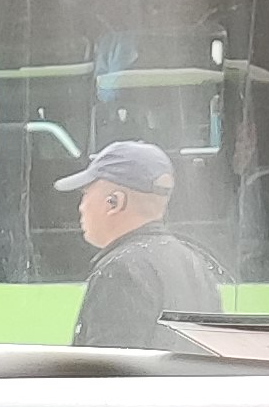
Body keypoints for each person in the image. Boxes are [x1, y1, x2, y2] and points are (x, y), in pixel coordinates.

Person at [58, 140, 221, 350]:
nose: (81, 207)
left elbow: (107, 366)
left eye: (85, 194)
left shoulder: (121, 271)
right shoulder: (195, 263)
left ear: (114, 202)